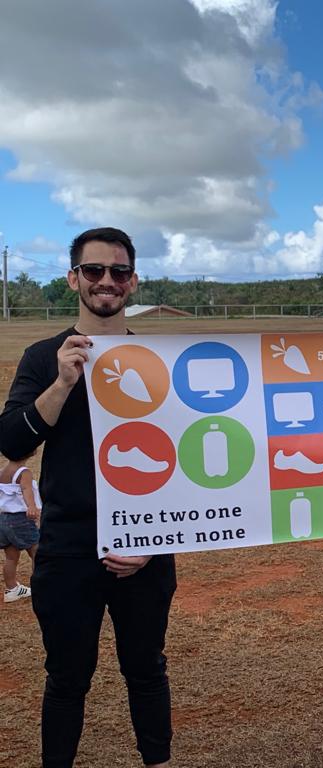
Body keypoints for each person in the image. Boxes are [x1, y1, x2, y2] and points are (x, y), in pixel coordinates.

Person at [0, 227, 176, 768]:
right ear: (74, 277)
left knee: (146, 669)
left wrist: (153, 538)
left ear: (133, 281)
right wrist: (62, 383)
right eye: (94, 271)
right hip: (67, 544)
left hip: (145, 545)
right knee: (66, 677)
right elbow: (12, 443)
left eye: (118, 272)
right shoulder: (42, 356)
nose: (107, 281)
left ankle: (158, 761)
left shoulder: (165, 357)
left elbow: (185, 462)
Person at [1, 450, 41, 603]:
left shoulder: (3, 471)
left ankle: (11, 589)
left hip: (4, 519)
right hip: (20, 519)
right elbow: (26, 489)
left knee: (11, 557)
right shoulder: (24, 472)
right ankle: (41, 586)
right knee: (37, 552)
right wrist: (31, 507)